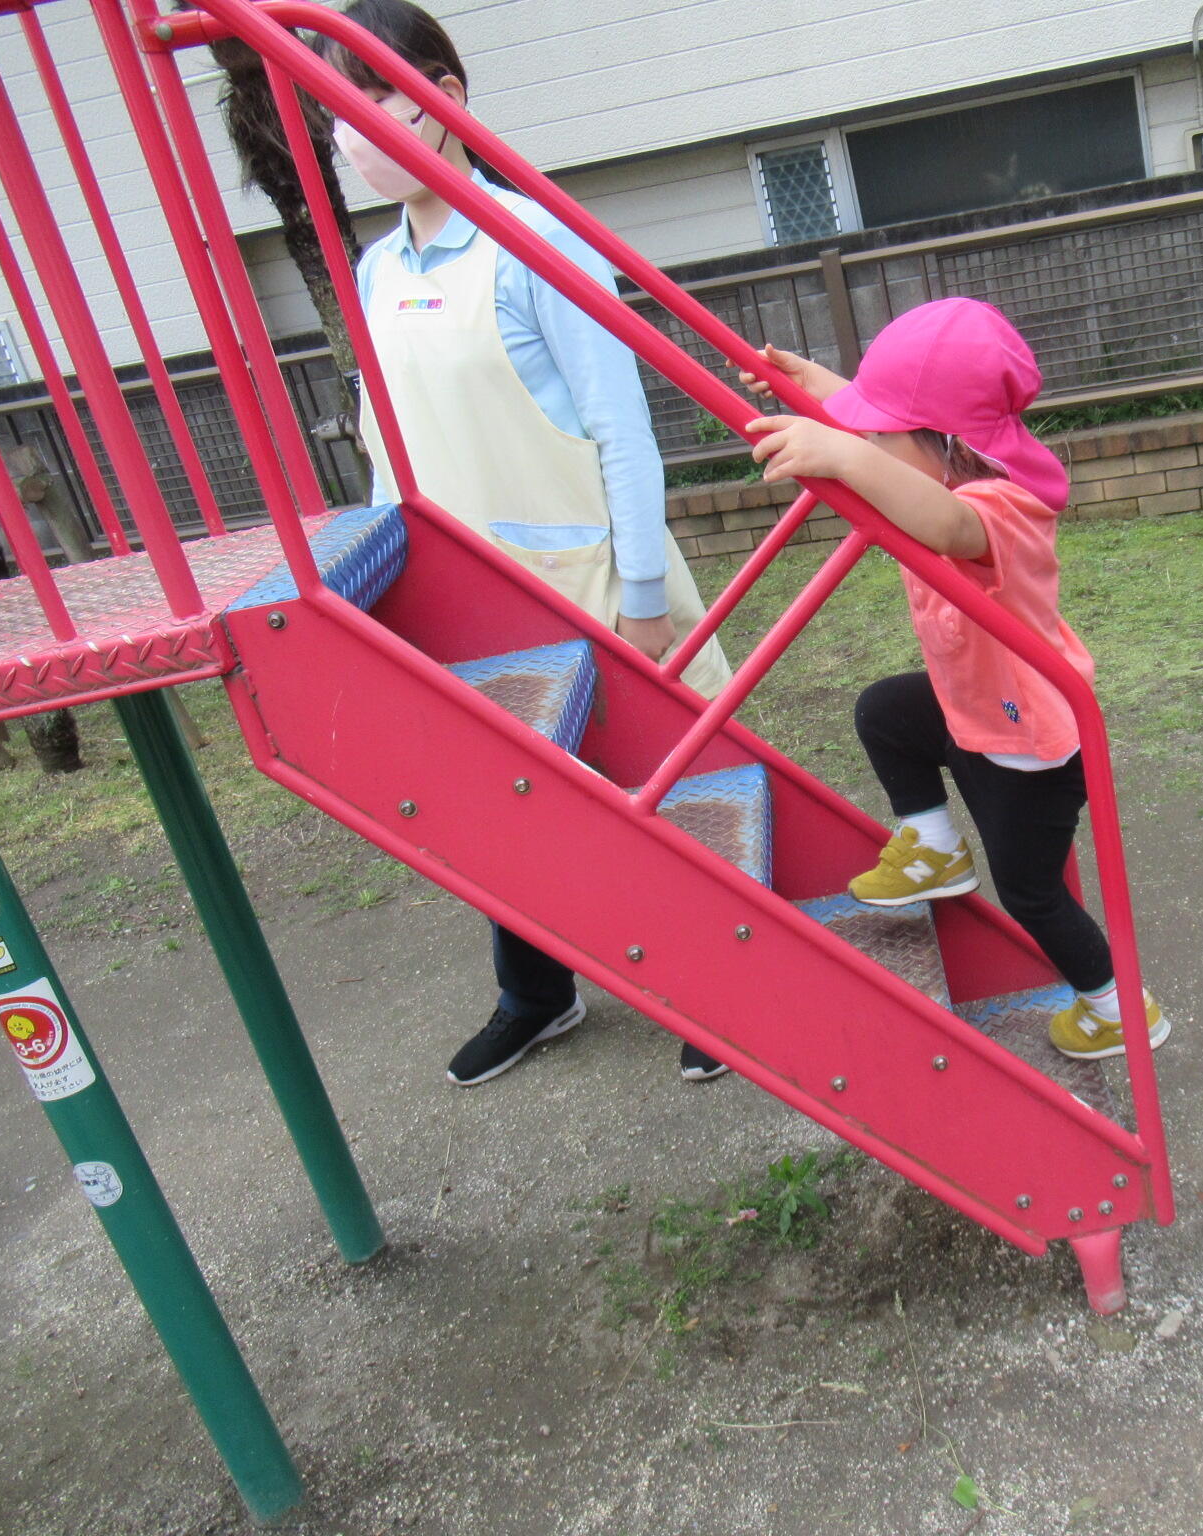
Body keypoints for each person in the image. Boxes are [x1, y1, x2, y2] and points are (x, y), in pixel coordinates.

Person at [319, 0, 731, 1087]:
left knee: (657, 794)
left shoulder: (529, 240)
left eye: (373, 99)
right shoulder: (373, 271)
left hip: (587, 578)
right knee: (499, 812)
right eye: (332, 116)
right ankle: (535, 993)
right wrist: (373, 570)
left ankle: (719, 989)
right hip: (453, 592)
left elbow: (621, 429)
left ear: (445, 103)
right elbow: (388, 446)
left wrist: (641, 593)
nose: (351, 136)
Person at [740, 298, 1165, 1061]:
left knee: (1033, 894)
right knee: (886, 712)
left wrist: (840, 455)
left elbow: (945, 525)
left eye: (879, 437)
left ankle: (1117, 1009)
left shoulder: (1002, 505)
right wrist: (816, 385)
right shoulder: (939, 455)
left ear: (943, 442)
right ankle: (934, 843)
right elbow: (903, 438)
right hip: (972, 707)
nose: (864, 442)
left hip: (1028, 744)